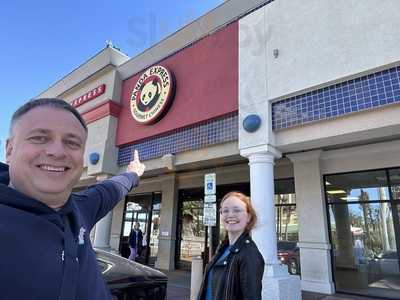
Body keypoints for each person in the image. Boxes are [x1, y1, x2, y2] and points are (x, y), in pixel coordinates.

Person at [0, 98, 146, 300]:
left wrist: (133, 174)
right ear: (9, 150)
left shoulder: (79, 208)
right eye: (40, 138)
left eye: (72, 142)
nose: (58, 152)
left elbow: (110, 189)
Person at [197, 191, 265, 300]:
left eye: (237, 210)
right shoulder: (223, 248)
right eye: (225, 211)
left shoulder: (249, 254)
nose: (231, 215)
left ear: (248, 217)